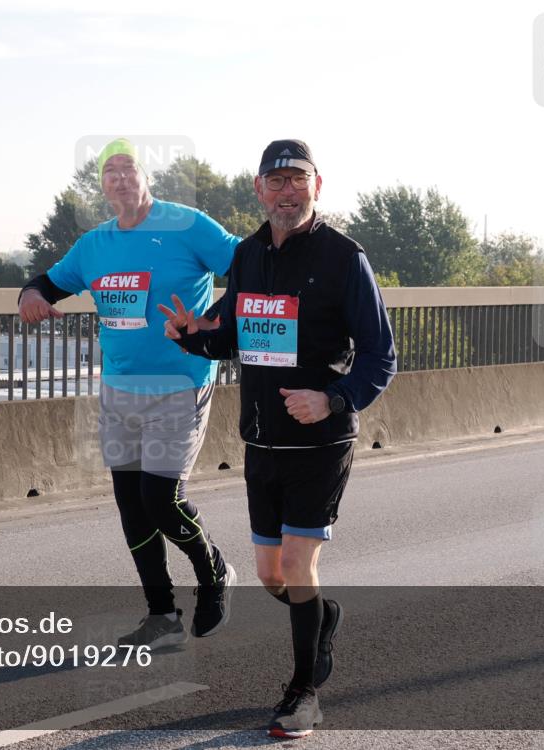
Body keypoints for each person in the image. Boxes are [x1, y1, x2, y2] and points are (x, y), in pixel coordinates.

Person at [160, 139, 396, 738]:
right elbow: (232, 334)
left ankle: (303, 694)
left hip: (320, 442)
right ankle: (322, 618)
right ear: (259, 190)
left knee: (296, 563)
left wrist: (333, 398)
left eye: (298, 179)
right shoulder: (247, 256)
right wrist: (192, 336)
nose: (287, 191)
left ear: (318, 186)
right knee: (272, 577)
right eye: (276, 181)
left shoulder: (345, 258)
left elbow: (380, 356)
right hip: (261, 441)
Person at [18, 138, 239, 648]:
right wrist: (29, 296)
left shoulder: (186, 225)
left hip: (180, 384)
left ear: (146, 177)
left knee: (162, 499)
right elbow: (47, 284)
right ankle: (161, 617)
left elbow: (249, 267)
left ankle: (214, 573)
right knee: (131, 505)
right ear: (101, 186)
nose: (119, 177)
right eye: (109, 171)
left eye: (128, 167)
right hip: (119, 391)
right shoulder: (95, 244)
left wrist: (211, 323)